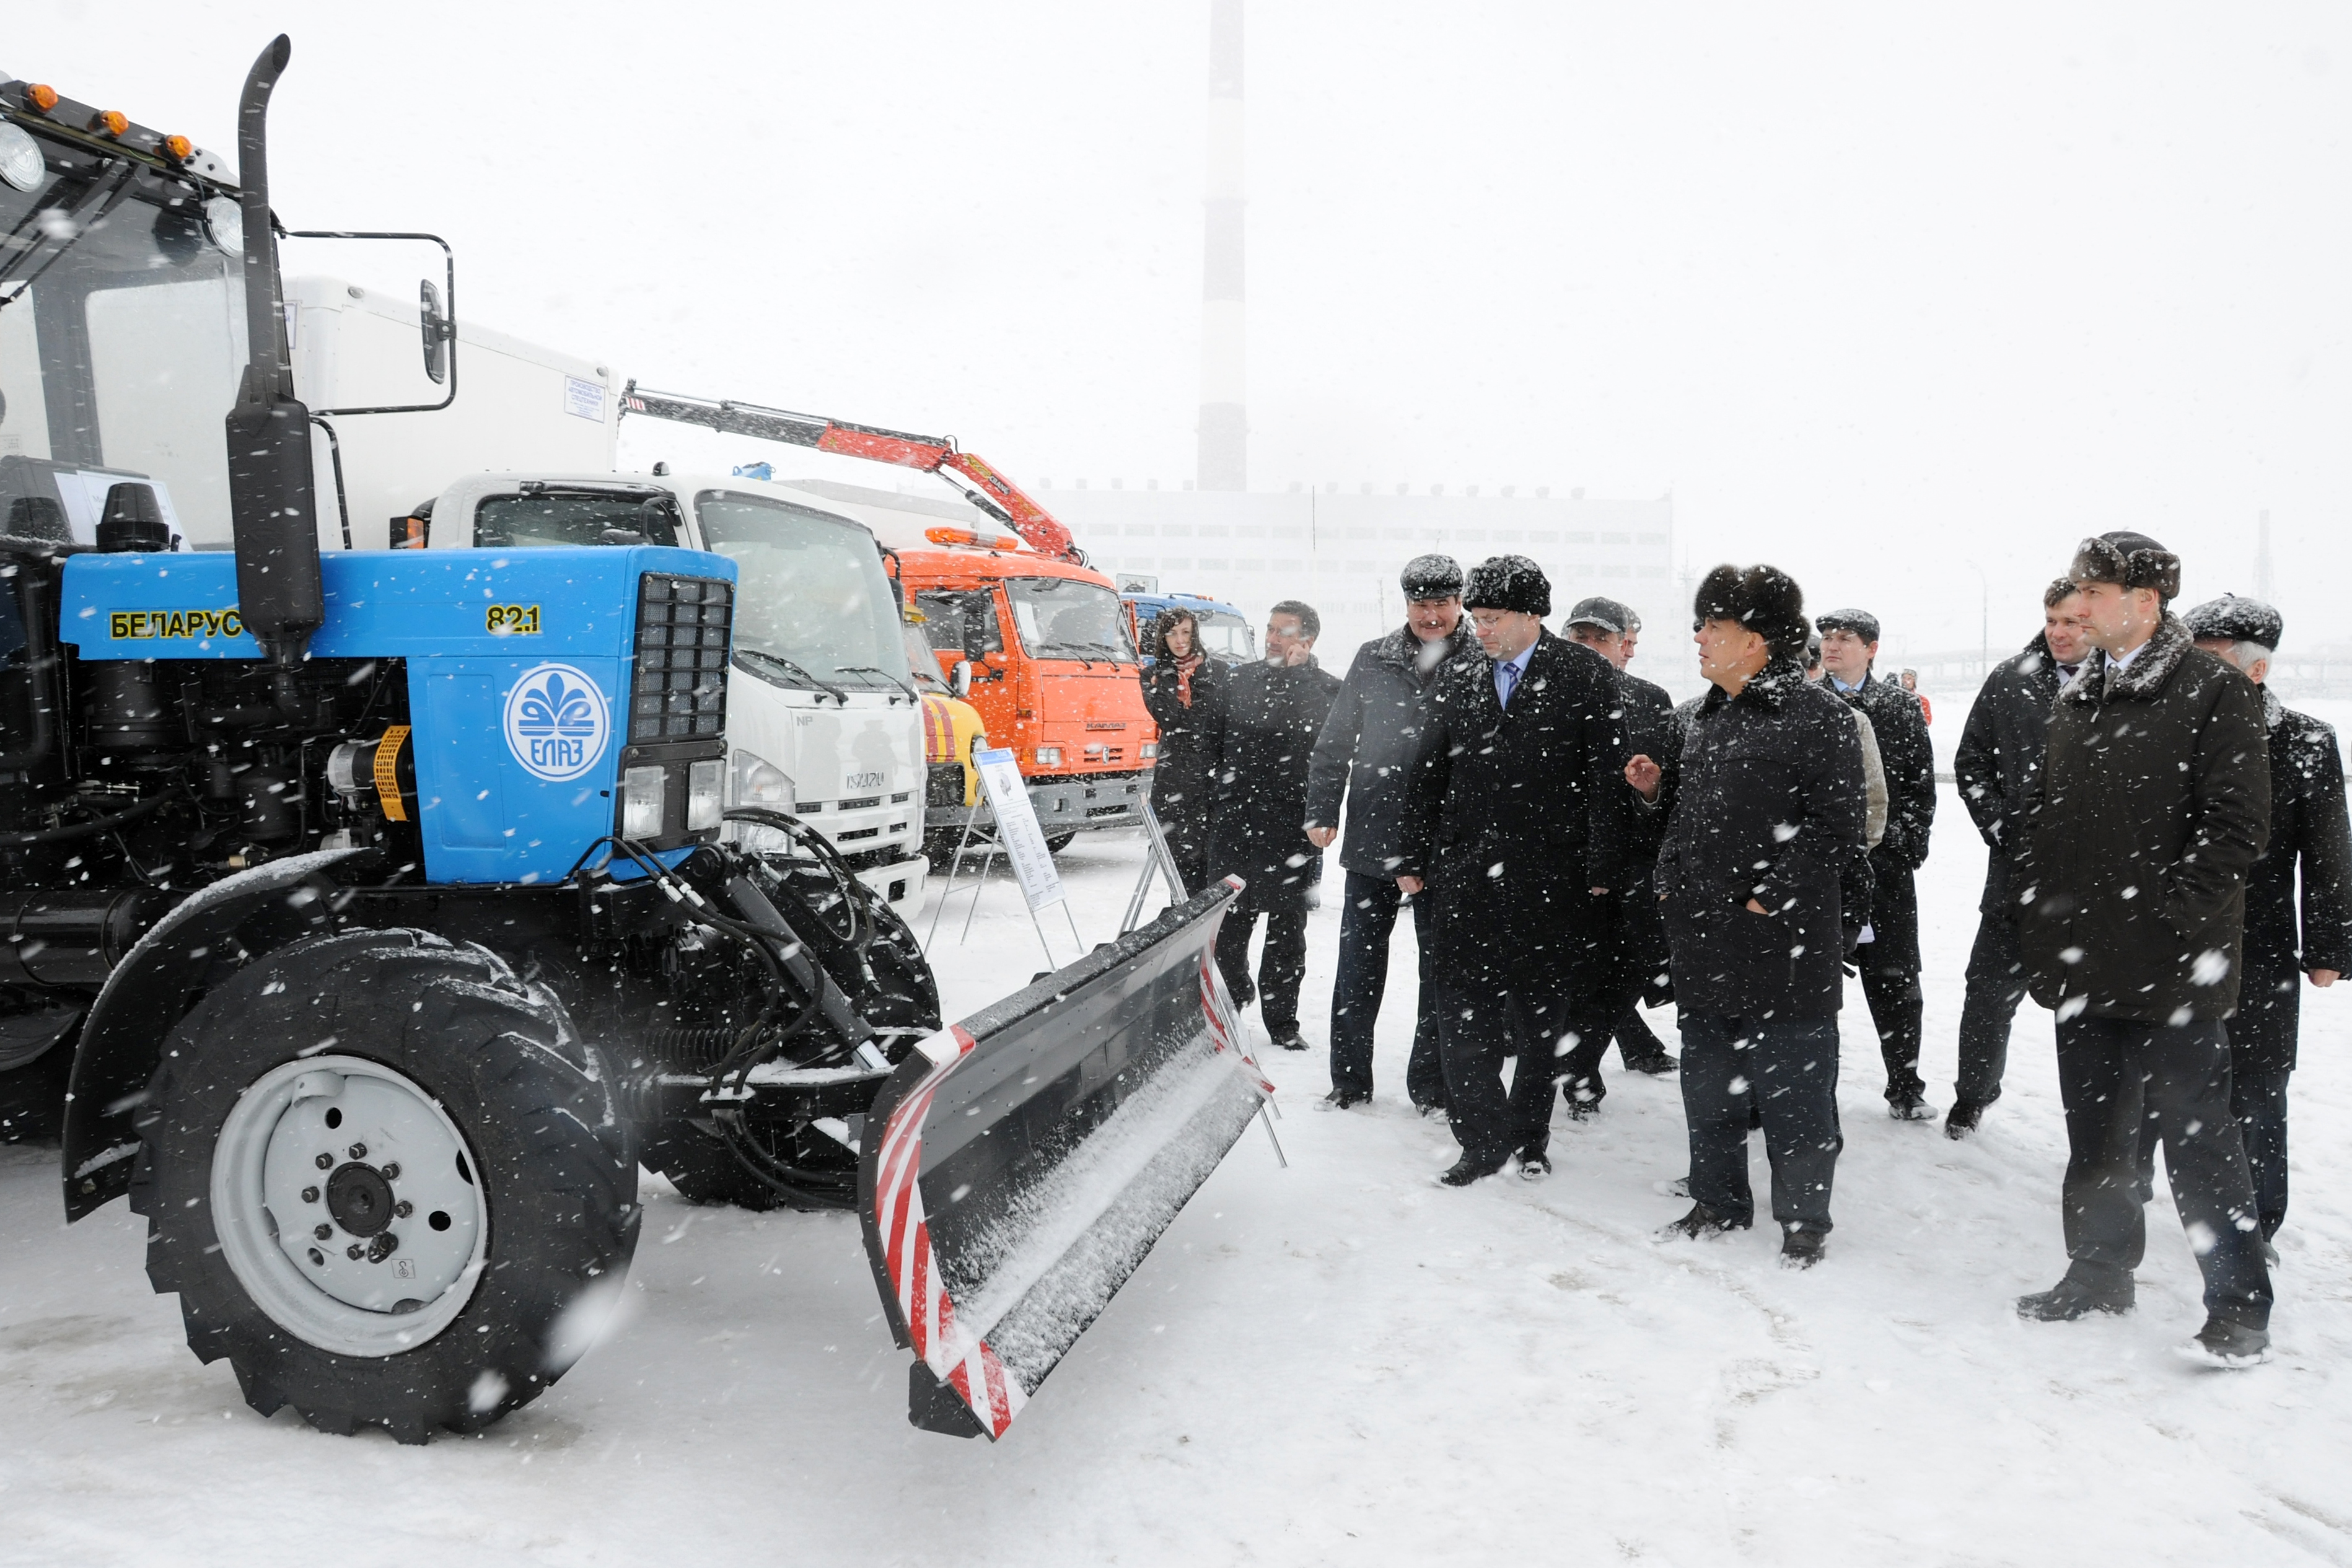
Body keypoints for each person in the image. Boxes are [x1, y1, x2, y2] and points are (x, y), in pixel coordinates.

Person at [2012, 531, 2275, 1366]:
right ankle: (2098, 1271)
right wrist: (2047, 916)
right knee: (2098, 1133)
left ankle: (2238, 1306)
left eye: (2094, 591)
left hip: (2173, 965)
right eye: (2078, 590)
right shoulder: (2079, 692)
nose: (2079, 605)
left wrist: (2171, 918)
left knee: (2199, 1139)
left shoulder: (2211, 689)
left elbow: (2237, 826)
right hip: (2083, 957)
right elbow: (2052, 817)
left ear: (2146, 601)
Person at [1630, 564, 1864, 1268]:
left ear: (1756, 638)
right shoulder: (1705, 716)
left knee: (1795, 1092)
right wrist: (1666, 859)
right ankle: (1718, 1200)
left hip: (1783, 944)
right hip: (1703, 939)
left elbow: (1837, 828)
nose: (1699, 637)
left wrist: (1770, 896)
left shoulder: (1820, 717)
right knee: (1709, 1087)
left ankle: (1804, 1220)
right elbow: (1690, 817)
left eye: (1713, 625)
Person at [1396, 556, 1623, 1185]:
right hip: (1465, 873)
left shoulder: (1584, 674)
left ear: (1531, 616)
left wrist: (1603, 866)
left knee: (1539, 1019)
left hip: (1551, 878)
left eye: (1493, 618)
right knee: (1460, 1011)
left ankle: (1528, 1135)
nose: (1482, 629)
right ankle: (1479, 1139)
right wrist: (1411, 856)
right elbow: (1426, 769)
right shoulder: (1458, 673)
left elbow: (1606, 779)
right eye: (1477, 618)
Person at [2183, 593, 2351, 1257]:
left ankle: (2254, 1223)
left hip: (2261, 942)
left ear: (2256, 668)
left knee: (2256, 1086)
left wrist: (2330, 944)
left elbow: (2329, 852)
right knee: (2167, 1077)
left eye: (2213, 658)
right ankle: (2143, 1194)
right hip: (2174, 936)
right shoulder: (2170, 732)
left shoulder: (2304, 740)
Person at [1305, 554, 1477, 1110]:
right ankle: (1349, 1080)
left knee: (1440, 969)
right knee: (1357, 965)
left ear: (1460, 603)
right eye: (1420, 604)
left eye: (1442, 603)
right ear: (1406, 604)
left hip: (1445, 841)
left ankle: (1431, 1084)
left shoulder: (1481, 660)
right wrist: (1322, 809)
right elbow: (1335, 741)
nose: (1431, 615)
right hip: (1375, 834)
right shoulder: (1373, 658)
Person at [1946, 580, 2091, 1137]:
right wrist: (2002, 827)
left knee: (2088, 1011)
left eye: (2072, 621)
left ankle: (2095, 1125)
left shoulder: (2123, 684)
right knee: (1987, 993)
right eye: (2052, 620)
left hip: (2094, 885)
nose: (2059, 632)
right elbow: (1971, 761)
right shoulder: (2012, 679)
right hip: (2016, 876)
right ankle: (1972, 1095)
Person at [1816, 608, 1939, 1120]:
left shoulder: (1898, 707)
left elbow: (1920, 784)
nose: (1831, 645)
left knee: (1896, 981)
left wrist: (1903, 845)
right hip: (1823, 870)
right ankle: (1813, 1092)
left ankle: (1905, 1085)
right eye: (1826, 637)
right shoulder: (1808, 702)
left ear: (1871, 649)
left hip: (1886, 869)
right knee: (1814, 985)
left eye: (1844, 638)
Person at [1209, 601, 1343, 1052]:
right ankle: (1231, 1004)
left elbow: (1322, 741)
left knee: (1287, 935)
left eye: (1283, 632)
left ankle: (1283, 1022)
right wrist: (1217, 802)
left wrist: (1299, 676)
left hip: (1290, 828)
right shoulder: (1238, 680)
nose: (1271, 639)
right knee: (1229, 929)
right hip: (1236, 824)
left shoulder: (1326, 689)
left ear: (1307, 641)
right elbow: (1211, 745)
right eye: (1268, 629)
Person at [1563, 595, 1680, 1079]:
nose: (1590, 646)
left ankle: (1585, 1064)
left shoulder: (1651, 700)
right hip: (1560, 855)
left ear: (1623, 645)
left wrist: (1650, 790)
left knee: (1626, 965)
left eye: (1602, 638)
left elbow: (1667, 792)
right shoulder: (1538, 693)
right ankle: (1581, 1070)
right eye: (1581, 637)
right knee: (1566, 969)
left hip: (1629, 860)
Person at [1138, 608, 1227, 891]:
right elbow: (1169, 718)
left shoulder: (1219, 671)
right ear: (1163, 638)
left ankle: (1207, 915)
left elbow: (1221, 722)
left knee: (1213, 859)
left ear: (1195, 634)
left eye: (1186, 632)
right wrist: (1168, 675)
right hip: (1174, 777)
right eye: (1172, 634)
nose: (1180, 641)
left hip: (1211, 776)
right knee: (1178, 858)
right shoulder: (1152, 675)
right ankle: (1182, 908)